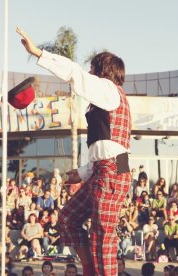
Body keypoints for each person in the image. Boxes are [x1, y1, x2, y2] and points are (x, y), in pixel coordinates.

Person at [17, 27, 131, 276]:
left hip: (110, 172)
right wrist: (84, 172)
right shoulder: (109, 100)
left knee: (102, 235)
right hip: (107, 170)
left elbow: (74, 73)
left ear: (102, 71)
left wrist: (38, 53)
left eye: (92, 68)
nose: (89, 71)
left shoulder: (107, 89)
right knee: (67, 218)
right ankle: (90, 269)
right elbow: (113, 148)